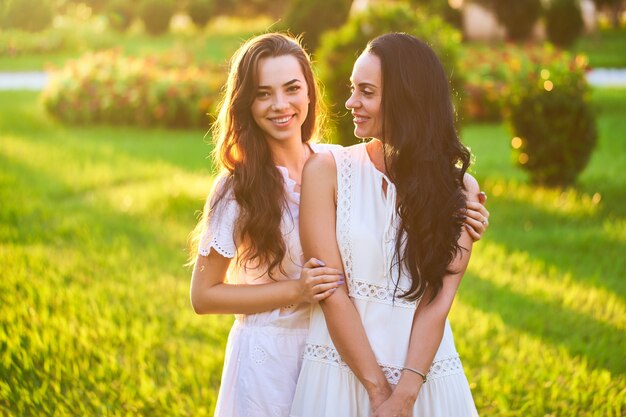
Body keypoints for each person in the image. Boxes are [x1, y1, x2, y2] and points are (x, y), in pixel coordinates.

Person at [189, 33, 488, 417]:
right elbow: (203, 296)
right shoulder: (237, 188)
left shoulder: (337, 164)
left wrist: (465, 212)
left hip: (341, 349)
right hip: (272, 358)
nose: (280, 104)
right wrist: (297, 289)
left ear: (310, 93)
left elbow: (399, 213)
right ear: (246, 103)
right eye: (263, 94)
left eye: (292, 88)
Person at [290, 33, 483, 417]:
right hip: (340, 374)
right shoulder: (326, 172)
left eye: (366, 91)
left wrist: (406, 395)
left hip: (423, 377)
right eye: (352, 88)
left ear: (406, 100)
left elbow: (438, 300)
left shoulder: (458, 189)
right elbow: (332, 290)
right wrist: (379, 393)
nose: (351, 103)